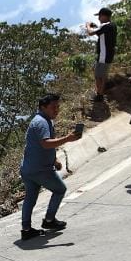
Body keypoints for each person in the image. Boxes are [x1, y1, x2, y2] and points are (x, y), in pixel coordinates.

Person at [19, 93, 84, 241]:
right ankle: (49, 220)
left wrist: (54, 160)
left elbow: (38, 146)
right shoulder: (42, 122)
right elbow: (45, 143)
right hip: (40, 170)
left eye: (58, 107)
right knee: (60, 189)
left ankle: (26, 229)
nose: (57, 110)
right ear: (43, 107)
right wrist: (67, 138)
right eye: (53, 107)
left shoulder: (41, 120)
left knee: (30, 198)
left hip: (28, 168)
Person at [86, 8, 118, 102]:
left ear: (104, 16)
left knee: (99, 75)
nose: (99, 18)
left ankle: (100, 94)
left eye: (99, 16)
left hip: (103, 55)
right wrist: (96, 27)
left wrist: (88, 25)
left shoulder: (105, 25)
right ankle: (100, 93)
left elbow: (90, 33)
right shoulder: (112, 25)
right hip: (108, 54)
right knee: (101, 74)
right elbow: (101, 34)